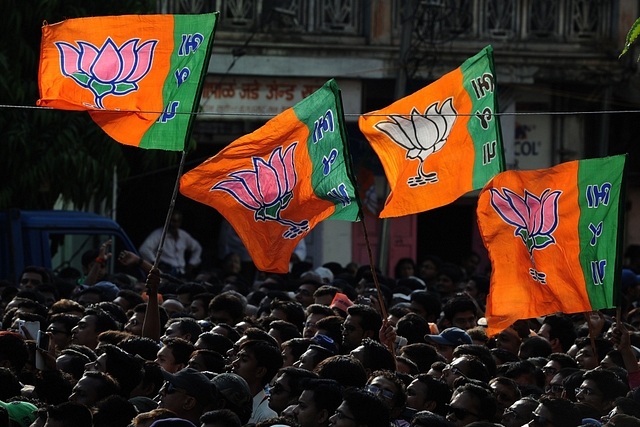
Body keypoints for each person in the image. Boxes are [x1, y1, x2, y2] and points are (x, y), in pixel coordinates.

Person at [229, 340, 283, 423]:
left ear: (260, 371)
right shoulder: (228, 401)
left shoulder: (267, 416)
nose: (234, 363)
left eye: (244, 360)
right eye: (237, 357)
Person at [139, 211, 202, 278]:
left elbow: (197, 248)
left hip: (181, 273)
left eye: (174, 221)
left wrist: (191, 264)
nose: (171, 223)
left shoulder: (183, 235)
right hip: (166, 273)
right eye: (169, 220)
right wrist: (155, 263)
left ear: (179, 223)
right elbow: (144, 249)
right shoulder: (158, 234)